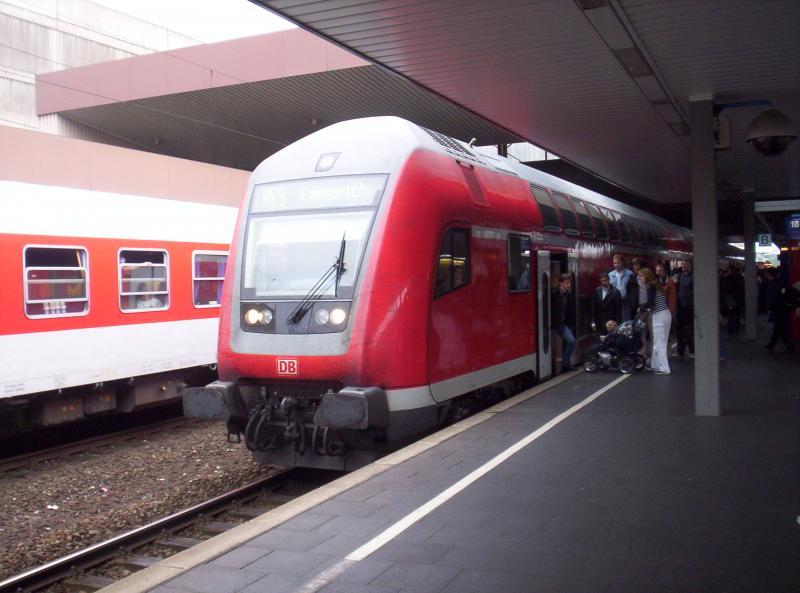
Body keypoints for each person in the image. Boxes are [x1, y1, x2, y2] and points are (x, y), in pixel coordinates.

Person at [638, 267, 671, 374]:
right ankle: (656, 365)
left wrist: (641, 308)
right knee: (659, 341)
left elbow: (650, 302)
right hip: (665, 313)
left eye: (641, 276)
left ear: (646, 276)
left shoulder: (650, 286)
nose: (640, 279)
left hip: (659, 315)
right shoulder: (656, 284)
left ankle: (664, 368)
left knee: (659, 342)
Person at [765, 269, 798, 354]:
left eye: (767, 274)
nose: (766, 276)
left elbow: (772, 298)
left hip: (779, 309)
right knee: (780, 328)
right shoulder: (781, 282)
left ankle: (789, 348)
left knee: (782, 329)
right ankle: (772, 345)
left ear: (770, 275)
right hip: (785, 309)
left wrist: (770, 308)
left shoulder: (773, 284)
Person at [551, 273, 576, 373]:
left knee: (571, 341)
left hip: (562, 323)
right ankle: (560, 365)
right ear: (561, 283)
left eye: (570, 283)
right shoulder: (553, 293)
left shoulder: (567, 294)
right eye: (567, 283)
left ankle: (565, 364)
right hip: (554, 323)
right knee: (569, 341)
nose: (569, 285)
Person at [675, 259, 695, 358]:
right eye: (682, 264)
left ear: (690, 266)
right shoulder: (680, 276)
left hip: (689, 306)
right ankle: (680, 351)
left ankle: (692, 350)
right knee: (680, 330)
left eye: (685, 264)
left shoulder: (694, 277)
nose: (683, 266)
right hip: (680, 306)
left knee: (689, 330)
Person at [608, 255, 634, 322]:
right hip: (613, 304)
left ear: (622, 262)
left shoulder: (630, 274)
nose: (616, 265)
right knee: (614, 323)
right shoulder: (610, 275)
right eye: (614, 263)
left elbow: (633, 290)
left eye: (618, 263)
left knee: (625, 323)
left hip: (625, 304)